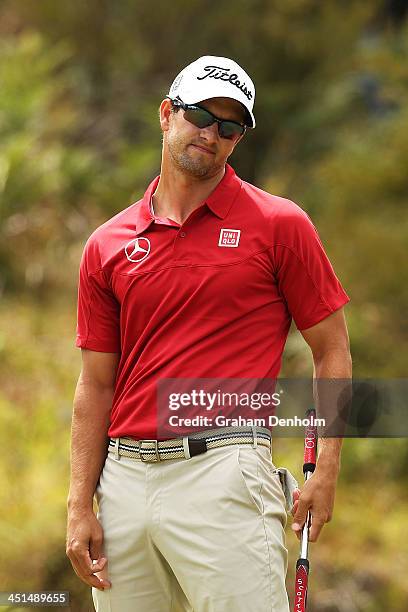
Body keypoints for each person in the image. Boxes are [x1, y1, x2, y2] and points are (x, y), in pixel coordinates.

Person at [66, 55, 352, 612]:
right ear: (167, 114)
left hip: (225, 472)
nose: (212, 134)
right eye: (200, 115)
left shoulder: (279, 225)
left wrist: (326, 468)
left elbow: (332, 349)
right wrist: (80, 503)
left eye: (229, 126)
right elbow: (95, 386)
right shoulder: (108, 243)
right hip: (122, 481)